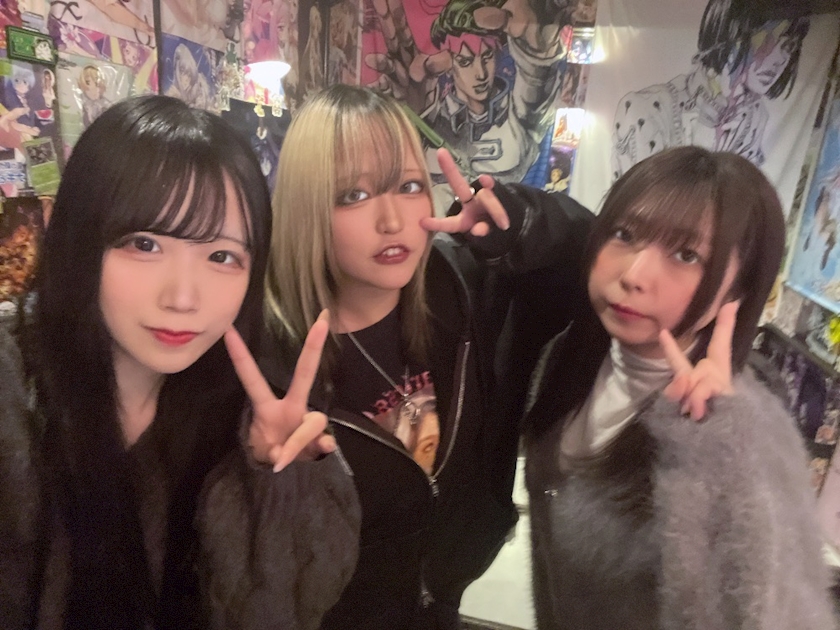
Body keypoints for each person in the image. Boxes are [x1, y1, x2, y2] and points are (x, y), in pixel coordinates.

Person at [0, 94, 359, 630]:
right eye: (144, 244)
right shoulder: (13, 389)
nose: (184, 298)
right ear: (78, 237)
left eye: (222, 256)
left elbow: (284, 611)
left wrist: (277, 480)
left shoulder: (243, 410)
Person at [259, 84, 593, 629]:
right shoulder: (267, 360)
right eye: (354, 195)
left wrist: (519, 224)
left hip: (446, 595)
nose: (392, 220)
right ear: (306, 209)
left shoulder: (465, 289)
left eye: (410, 187)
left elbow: (597, 255)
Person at [524, 146, 837, 629]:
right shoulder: (571, 355)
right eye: (625, 234)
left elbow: (773, 614)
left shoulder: (747, 430)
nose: (633, 276)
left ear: (738, 289)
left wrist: (719, 445)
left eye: (686, 254)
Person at [613, 0, 809, 177]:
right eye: (767, 39)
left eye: (788, 46)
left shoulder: (755, 117)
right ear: (731, 34)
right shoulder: (647, 109)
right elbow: (638, 200)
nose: (779, 59)